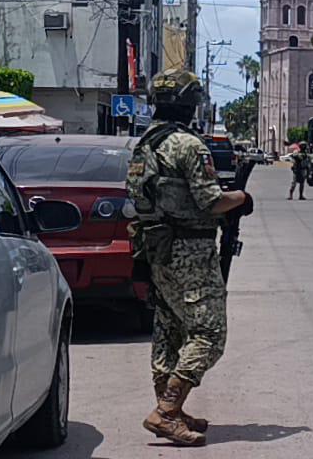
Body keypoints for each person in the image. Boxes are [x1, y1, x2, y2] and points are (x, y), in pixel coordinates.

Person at [127, 70, 253, 446]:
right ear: (190, 104)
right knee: (210, 334)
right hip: (191, 250)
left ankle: (172, 410)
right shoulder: (188, 145)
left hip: (156, 248)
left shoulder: (144, 144)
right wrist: (242, 199)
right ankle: (166, 411)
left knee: (169, 328)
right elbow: (211, 201)